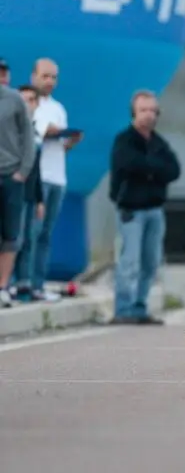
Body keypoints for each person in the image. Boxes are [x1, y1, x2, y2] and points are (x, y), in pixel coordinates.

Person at [108, 90, 181, 324]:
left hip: (155, 210)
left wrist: (149, 169)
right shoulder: (124, 140)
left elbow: (173, 170)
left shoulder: (159, 142)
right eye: (143, 110)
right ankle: (123, 307)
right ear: (134, 113)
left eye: (152, 111)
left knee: (150, 261)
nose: (149, 115)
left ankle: (139, 305)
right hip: (132, 210)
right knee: (129, 260)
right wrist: (154, 169)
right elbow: (128, 163)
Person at [31, 58, 82, 301]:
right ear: (34, 77)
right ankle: (22, 283)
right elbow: (37, 137)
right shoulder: (30, 106)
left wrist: (70, 141)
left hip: (57, 178)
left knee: (46, 235)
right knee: (30, 232)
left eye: (53, 77)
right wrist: (50, 131)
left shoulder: (58, 108)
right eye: (45, 76)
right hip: (37, 178)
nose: (49, 81)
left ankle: (38, 284)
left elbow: (60, 146)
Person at [0, 79, 36, 307]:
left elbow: (28, 137)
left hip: (11, 176)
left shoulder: (14, 99)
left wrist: (22, 171)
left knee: (10, 235)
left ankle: (3, 286)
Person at [11, 84, 45, 303]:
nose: (27, 104)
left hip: (30, 194)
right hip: (14, 194)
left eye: (32, 100)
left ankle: (24, 284)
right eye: (23, 100)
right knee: (13, 240)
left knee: (28, 241)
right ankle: (8, 283)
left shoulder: (34, 131)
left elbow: (36, 169)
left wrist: (40, 198)